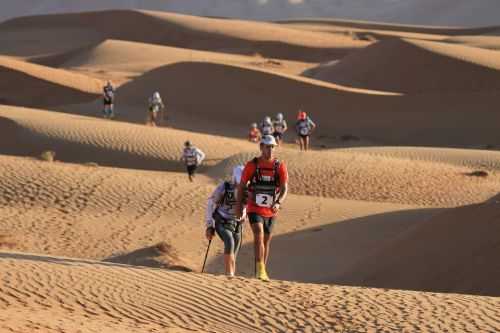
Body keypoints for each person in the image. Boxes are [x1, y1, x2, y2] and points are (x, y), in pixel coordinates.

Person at [236, 135, 288, 281]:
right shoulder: (252, 165)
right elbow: (241, 186)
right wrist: (239, 206)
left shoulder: (280, 166)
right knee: (258, 233)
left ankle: (262, 271)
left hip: (271, 210)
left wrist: (279, 202)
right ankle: (259, 269)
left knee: (266, 240)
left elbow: (284, 188)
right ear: (261, 147)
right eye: (267, 147)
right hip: (254, 207)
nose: (270, 150)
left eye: (272, 147)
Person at [205, 165, 246, 277]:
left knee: (234, 252)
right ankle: (229, 275)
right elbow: (210, 203)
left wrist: (244, 216)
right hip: (222, 221)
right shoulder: (224, 187)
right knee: (229, 241)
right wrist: (209, 225)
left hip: (237, 224)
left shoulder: (248, 189)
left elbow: (248, 206)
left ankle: (232, 276)